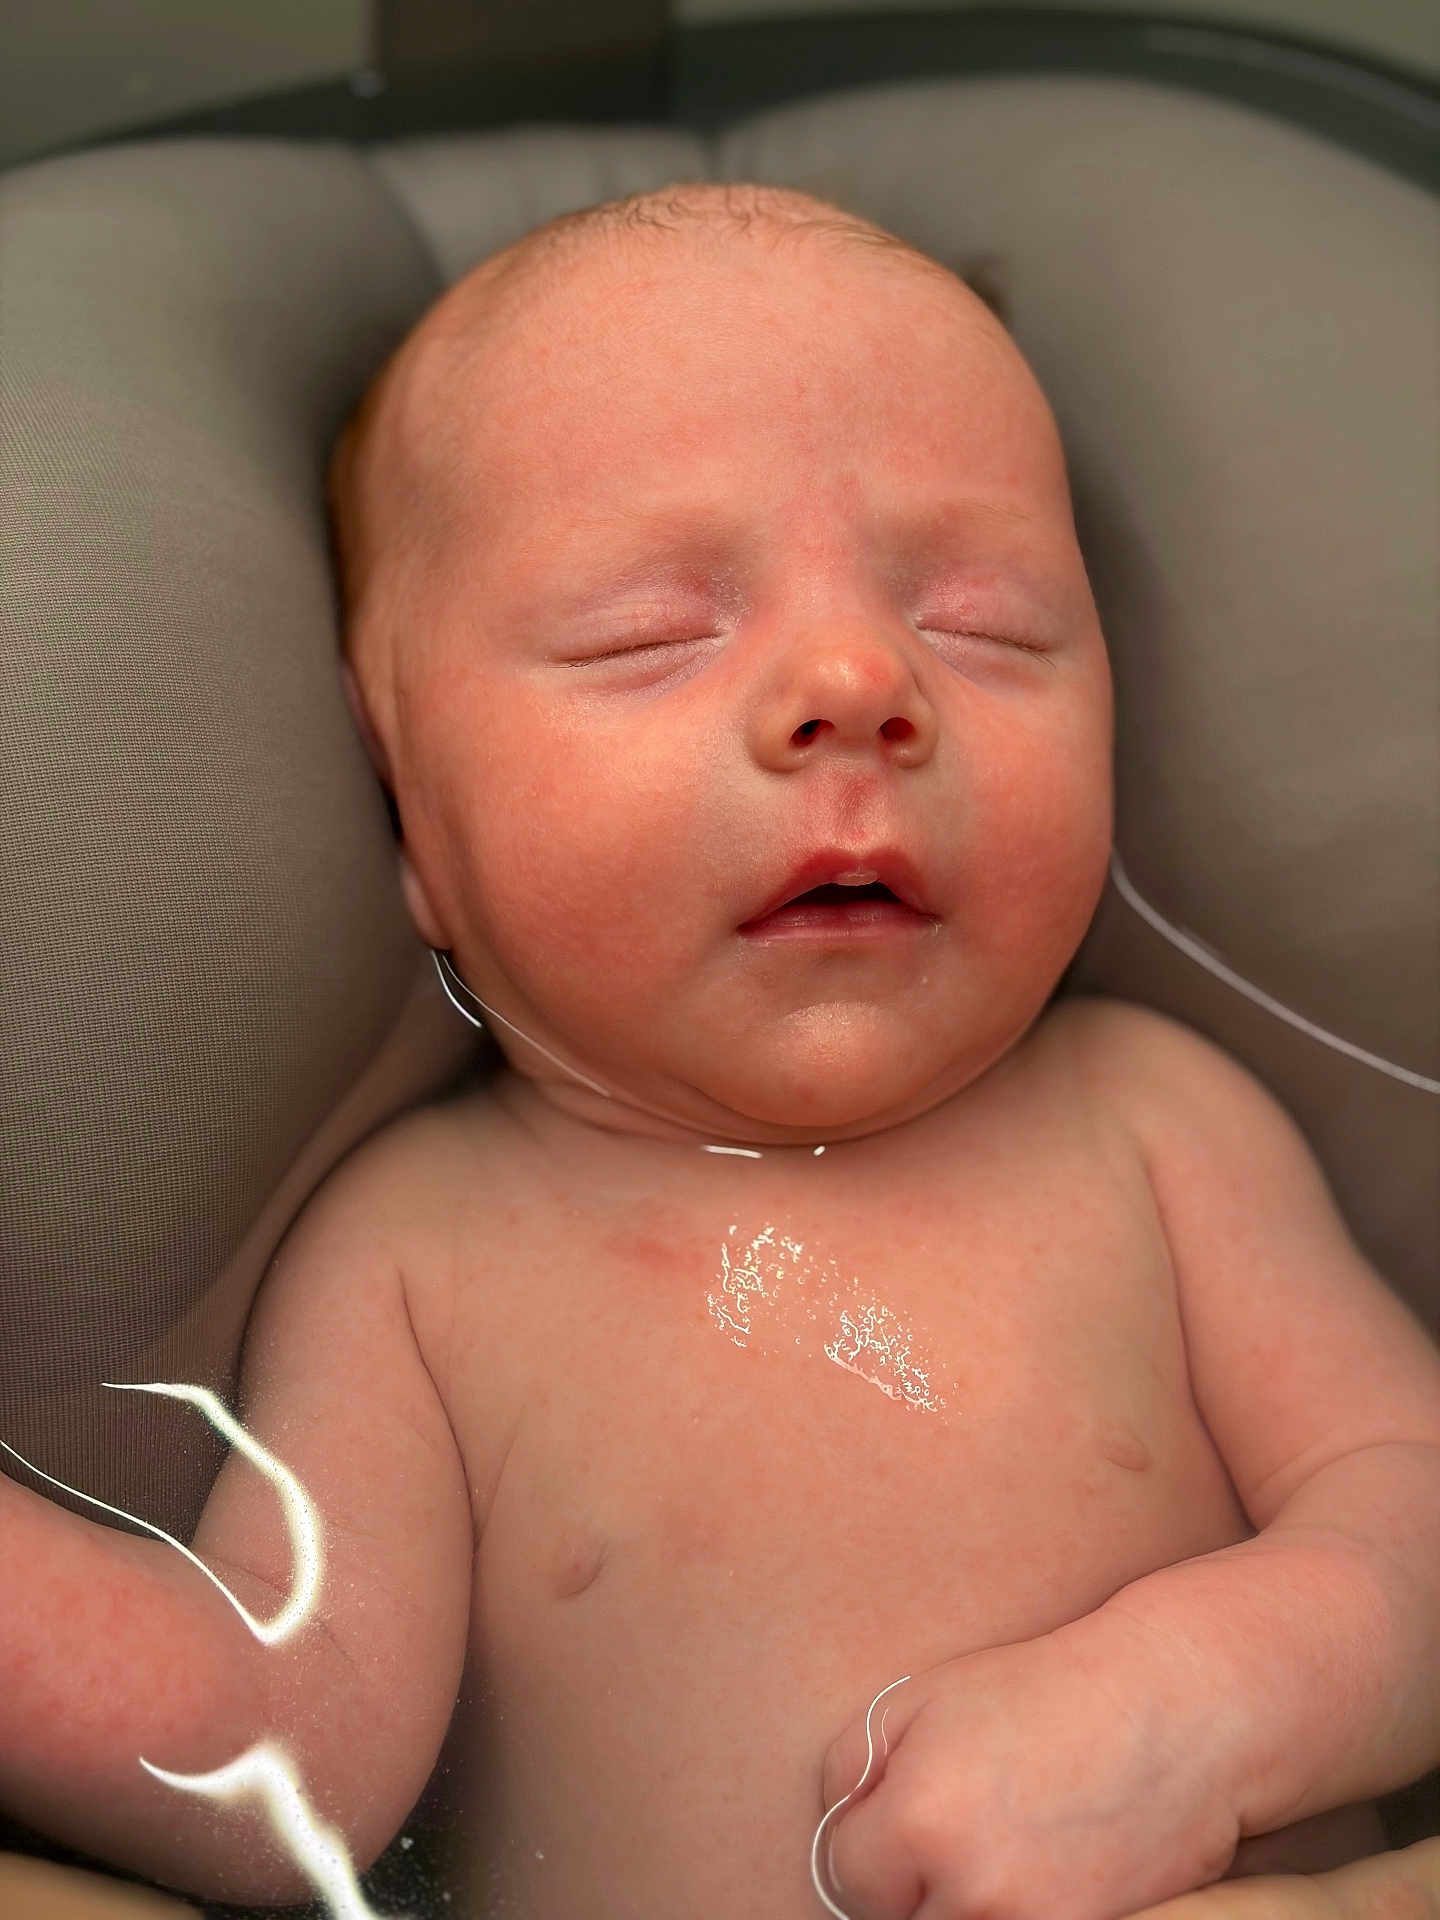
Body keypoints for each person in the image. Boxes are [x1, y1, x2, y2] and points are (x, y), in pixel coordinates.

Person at [2, 181, 1437, 1920]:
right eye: (647, 634)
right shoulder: (421, 1256)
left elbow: (1411, 1509)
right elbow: (277, 1746)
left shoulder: (1153, 1125)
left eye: (983, 621)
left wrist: (1204, 1706)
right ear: (411, 821)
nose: (856, 678)